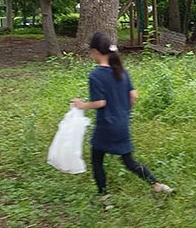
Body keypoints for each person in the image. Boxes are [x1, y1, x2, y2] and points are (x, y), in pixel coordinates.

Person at [71, 32, 172, 202]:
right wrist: (123, 112)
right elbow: (134, 95)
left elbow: (100, 102)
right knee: (129, 162)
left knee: (97, 161)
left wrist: (82, 105)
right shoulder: (121, 72)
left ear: (95, 52)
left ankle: (104, 197)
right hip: (122, 125)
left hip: (106, 126)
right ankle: (158, 185)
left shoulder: (95, 75)